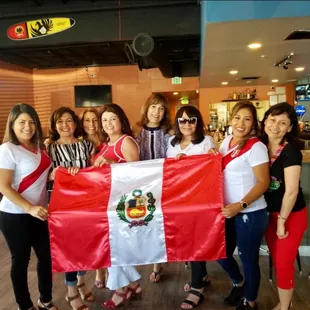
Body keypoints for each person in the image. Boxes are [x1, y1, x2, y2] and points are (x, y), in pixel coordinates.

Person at [0, 103, 59, 310]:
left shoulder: (39, 148)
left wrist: (54, 175)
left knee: (46, 258)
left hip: (39, 213)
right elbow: (4, 187)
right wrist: (29, 208)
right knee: (21, 261)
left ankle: (45, 300)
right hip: (15, 215)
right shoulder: (7, 149)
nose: (27, 126)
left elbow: (41, 177)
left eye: (31, 122)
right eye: (22, 122)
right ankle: (24, 306)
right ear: (12, 124)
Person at [218, 101, 270, 310]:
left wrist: (240, 205)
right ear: (231, 120)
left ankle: (250, 301)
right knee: (220, 254)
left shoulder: (256, 147)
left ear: (253, 124)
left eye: (247, 119)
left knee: (248, 260)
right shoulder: (226, 141)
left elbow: (263, 182)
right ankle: (239, 283)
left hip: (250, 212)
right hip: (227, 211)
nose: (241, 123)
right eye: (237, 117)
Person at [166, 105, 215, 309]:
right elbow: (168, 170)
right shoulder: (172, 143)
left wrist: (193, 162)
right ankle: (201, 276)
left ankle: (197, 288)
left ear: (198, 121)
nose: (187, 124)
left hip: (200, 200)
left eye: (191, 119)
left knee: (197, 241)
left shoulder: (207, 141)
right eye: (182, 120)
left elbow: (211, 169)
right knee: (187, 240)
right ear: (177, 123)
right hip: (179, 200)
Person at [93, 103, 142, 309]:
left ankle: (120, 290)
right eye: (104, 120)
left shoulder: (126, 141)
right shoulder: (105, 143)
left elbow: (138, 174)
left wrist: (112, 163)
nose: (108, 123)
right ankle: (131, 284)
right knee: (113, 247)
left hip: (121, 205)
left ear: (121, 120)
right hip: (108, 203)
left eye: (112, 118)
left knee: (115, 248)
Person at [260, 102, 307, 310]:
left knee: (282, 263)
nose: (275, 126)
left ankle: (286, 306)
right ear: (265, 121)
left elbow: (292, 191)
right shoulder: (258, 145)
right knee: (279, 260)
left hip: (290, 216)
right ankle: (284, 302)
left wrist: (281, 221)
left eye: (282, 123)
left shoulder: (291, 151)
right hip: (268, 214)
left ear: (289, 128)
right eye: (272, 120)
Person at [48, 107, 95, 310]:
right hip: (63, 207)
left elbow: (96, 172)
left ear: (75, 124)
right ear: (54, 125)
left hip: (87, 204)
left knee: (85, 246)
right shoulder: (49, 149)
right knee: (70, 249)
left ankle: (82, 282)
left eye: (69, 121)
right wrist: (57, 173)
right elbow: (46, 176)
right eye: (60, 121)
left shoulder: (86, 145)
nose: (65, 125)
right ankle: (71, 292)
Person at [133, 93, 172, 282]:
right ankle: (143, 256)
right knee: (143, 221)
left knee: (159, 223)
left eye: (161, 108)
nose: (157, 112)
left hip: (164, 184)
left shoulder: (169, 132)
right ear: (146, 108)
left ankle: (157, 265)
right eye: (154, 107)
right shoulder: (136, 130)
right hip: (141, 185)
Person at [80, 108, 108, 289]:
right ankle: (98, 271)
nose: (91, 124)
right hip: (88, 194)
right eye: (87, 120)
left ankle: (108, 269)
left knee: (107, 233)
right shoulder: (79, 143)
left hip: (107, 191)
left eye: (95, 120)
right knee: (92, 235)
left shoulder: (108, 140)